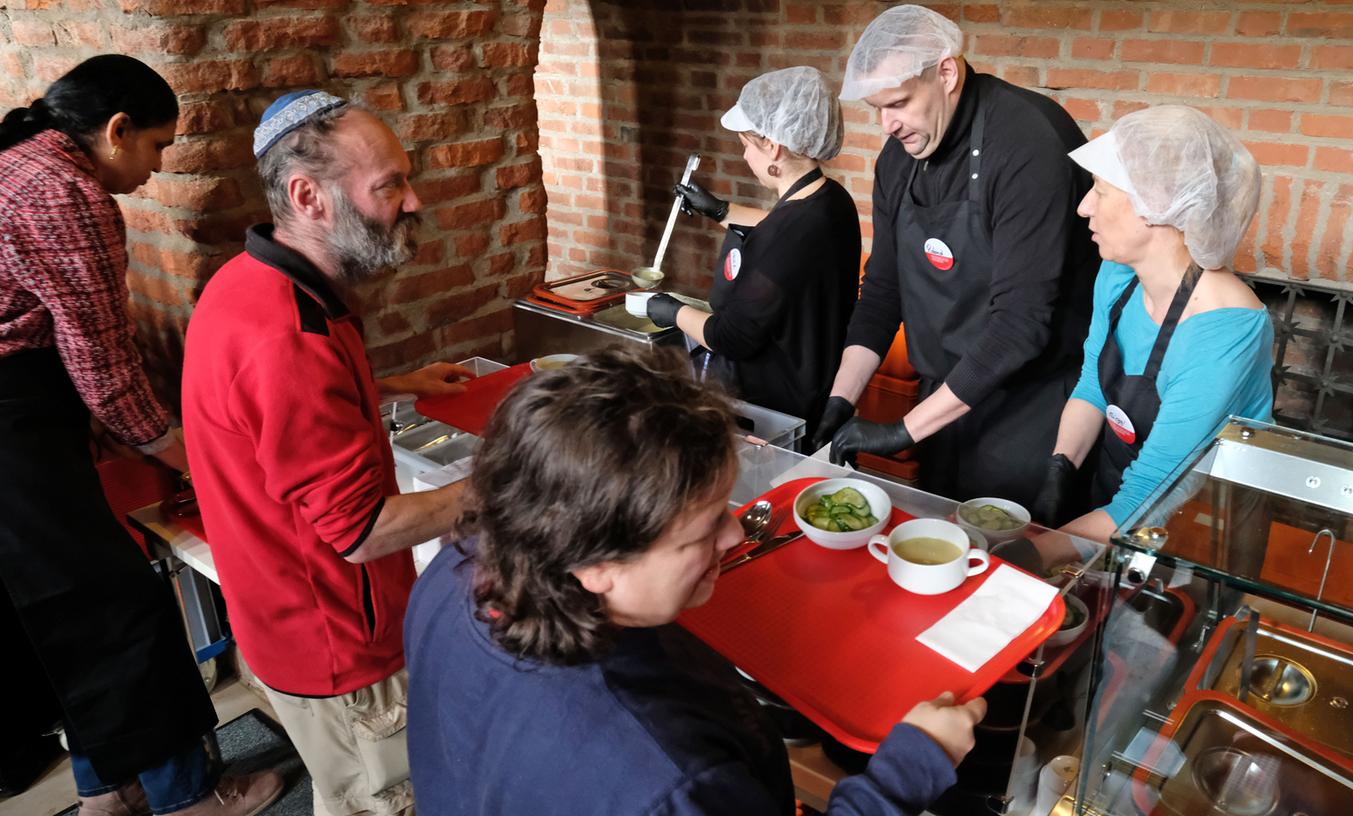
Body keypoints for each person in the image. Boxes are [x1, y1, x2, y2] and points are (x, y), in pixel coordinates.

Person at [405, 346, 989, 816]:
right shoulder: (669, 781)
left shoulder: (456, 568)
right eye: (704, 529)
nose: (736, 536)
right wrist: (909, 770)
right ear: (596, 564)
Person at [0, 56, 282, 816]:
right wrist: (187, 453)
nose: (155, 170)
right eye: (156, 147)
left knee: (60, 612)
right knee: (118, 608)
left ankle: (104, 790)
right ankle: (187, 796)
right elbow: (101, 362)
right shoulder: (65, 192)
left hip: (23, 411)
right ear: (116, 128)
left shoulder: (17, 162)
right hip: (11, 416)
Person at [182, 91, 472, 816]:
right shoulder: (289, 338)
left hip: (281, 616)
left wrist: (393, 385)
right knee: (383, 802)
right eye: (390, 186)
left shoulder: (254, 280)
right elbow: (361, 530)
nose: (413, 201)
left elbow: (277, 416)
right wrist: (502, 483)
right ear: (309, 196)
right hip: (337, 644)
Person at [814, 5, 1099, 506]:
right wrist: (841, 399)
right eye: (876, 109)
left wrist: (901, 431)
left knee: (1012, 568)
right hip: (943, 399)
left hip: (1029, 409)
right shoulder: (899, 159)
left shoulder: (1028, 144)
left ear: (946, 72)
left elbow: (1019, 326)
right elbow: (883, 289)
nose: (887, 125)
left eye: (899, 103)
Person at [1032, 106, 1273, 542]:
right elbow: (1092, 387)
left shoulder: (1225, 328)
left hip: (1195, 529)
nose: (1084, 207)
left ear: (1154, 208)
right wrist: (1060, 470)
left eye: (1100, 191)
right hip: (1115, 506)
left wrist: (1032, 554)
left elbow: (1149, 492)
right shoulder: (1119, 274)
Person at [647, 66, 860, 438]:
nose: (745, 155)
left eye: (747, 143)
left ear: (773, 146)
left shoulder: (785, 235)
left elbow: (730, 336)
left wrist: (671, 310)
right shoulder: (832, 200)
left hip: (773, 406)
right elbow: (781, 230)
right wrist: (718, 209)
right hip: (817, 378)